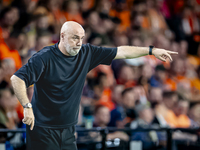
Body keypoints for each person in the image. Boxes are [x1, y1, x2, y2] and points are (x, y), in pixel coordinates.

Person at [10, 21, 178, 150]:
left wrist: (151, 50)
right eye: (75, 37)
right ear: (62, 36)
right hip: (42, 130)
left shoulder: (86, 52)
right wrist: (27, 106)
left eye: (81, 38)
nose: (79, 42)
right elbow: (17, 79)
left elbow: (121, 51)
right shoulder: (44, 57)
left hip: (68, 130)